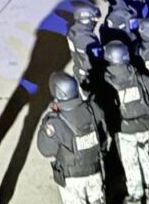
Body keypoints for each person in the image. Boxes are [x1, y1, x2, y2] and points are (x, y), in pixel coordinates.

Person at [36, 72, 108, 204]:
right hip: (94, 170)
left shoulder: (55, 122)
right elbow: (103, 135)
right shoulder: (92, 109)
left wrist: (45, 124)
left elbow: (45, 150)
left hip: (72, 179)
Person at [102, 41, 149, 204]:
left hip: (125, 130)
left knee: (130, 162)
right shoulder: (139, 76)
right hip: (144, 124)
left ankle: (136, 194)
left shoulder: (108, 81)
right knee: (144, 154)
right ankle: (148, 185)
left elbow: (106, 108)